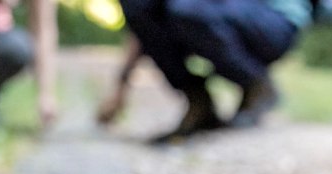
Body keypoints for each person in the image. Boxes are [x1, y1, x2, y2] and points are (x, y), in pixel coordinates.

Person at [115, 0, 312, 143]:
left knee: (187, 8)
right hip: (215, 9)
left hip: (274, 20)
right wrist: (120, 86)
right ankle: (198, 101)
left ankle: (257, 84)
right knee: (137, 4)